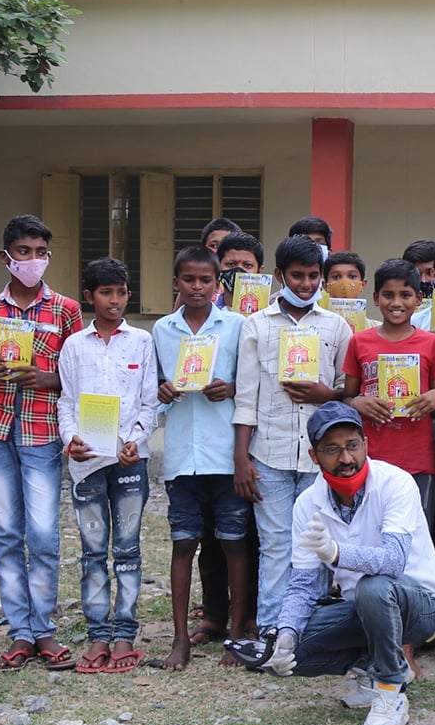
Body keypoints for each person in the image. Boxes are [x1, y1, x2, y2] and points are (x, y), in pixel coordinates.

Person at [235, 403, 435, 725]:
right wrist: (287, 634)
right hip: (363, 611)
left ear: (366, 444)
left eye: (353, 446)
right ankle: (372, 669)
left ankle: (390, 690)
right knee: (281, 653)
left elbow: (394, 562)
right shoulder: (308, 503)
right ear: (314, 455)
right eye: (332, 450)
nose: (346, 459)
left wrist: (337, 554)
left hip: (419, 604)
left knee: (373, 588)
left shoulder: (396, 483)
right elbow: (304, 584)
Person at [0, 215, 83, 671]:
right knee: (5, 533)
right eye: (24, 252)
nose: (33, 260)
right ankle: (20, 631)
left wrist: (50, 377)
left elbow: (81, 371)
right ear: (5, 257)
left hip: (41, 432)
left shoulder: (65, 310)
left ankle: (45, 629)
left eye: (40, 252)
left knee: (42, 534)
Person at [233, 235, 349, 632]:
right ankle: (271, 629)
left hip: (320, 458)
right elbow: (246, 398)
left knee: (316, 542)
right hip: (270, 453)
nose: (305, 284)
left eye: (314, 276)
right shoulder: (256, 326)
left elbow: (345, 392)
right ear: (279, 275)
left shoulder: (336, 326)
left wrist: (325, 393)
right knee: (276, 544)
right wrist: (241, 459)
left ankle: (308, 629)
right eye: (297, 276)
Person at [56, 258, 156, 674]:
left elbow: (150, 403)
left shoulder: (142, 342)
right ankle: (98, 633)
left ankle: (124, 634)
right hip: (87, 464)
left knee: (128, 549)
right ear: (89, 297)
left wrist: (135, 440)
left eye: (121, 292)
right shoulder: (75, 346)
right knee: (93, 551)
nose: (114, 301)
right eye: (105, 293)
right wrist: (70, 441)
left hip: (130, 461)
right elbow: (65, 402)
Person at [152, 246, 246, 670]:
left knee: (233, 542)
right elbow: (150, 389)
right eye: (188, 280)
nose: (196, 287)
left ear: (217, 284)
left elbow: (252, 383)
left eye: (205, 280)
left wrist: (231, 388)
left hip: (224, 453)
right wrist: (163, 393)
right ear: (176, 283)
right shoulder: (161, 331)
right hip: (181, 456)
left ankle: (239, 633)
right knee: (183, 542)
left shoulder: (238, 327)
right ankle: (178, 640)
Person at [342, 260, 435, 510]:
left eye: (406, 295)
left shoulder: (432, 343)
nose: (397, 303)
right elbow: (346, 398)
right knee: (368, 533)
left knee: (416, 537)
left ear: (419, 299)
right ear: (376, 298)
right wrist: (359, 402)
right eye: (388, 295)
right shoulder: (359, 342)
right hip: (369, 458)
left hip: (417, 459)